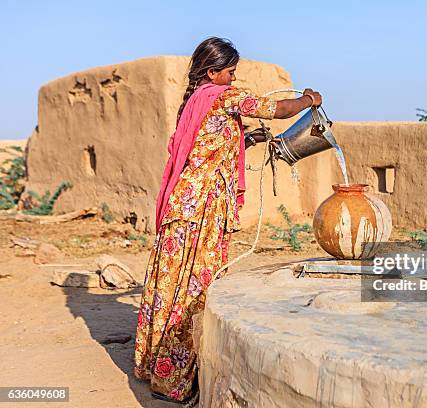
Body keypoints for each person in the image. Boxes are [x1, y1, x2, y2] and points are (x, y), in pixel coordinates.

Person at [133, 36, 322, 405]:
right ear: (212, 71)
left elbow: (209, 145)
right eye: (230, 72)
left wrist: (246, 139)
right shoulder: (220, 97)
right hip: (199, 211)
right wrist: (309, 101)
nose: (233, 79)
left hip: (182, 207)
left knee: (170, 287)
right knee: (192, 291)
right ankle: (173, 382)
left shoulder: (196, 101)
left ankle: (154, 365)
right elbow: (277, 108)